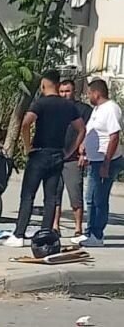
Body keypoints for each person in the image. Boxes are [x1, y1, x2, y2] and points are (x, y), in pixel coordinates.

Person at [4, 70, 85, 248]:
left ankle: (19, 235)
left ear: (43, 85)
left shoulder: (40, 103)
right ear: (57, 85)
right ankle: (45, 236)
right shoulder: (68, 106)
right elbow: (81, 129)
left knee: (28, 195)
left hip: (39, 153)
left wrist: (28, 146)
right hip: (58, 154)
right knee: (51, 198)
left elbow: (25, 123)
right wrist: (69, 151)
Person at [72, 79, 123, 248]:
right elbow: (91, 131)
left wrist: (106, 163)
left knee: (99, 198)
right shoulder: (97, 109)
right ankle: (89, 232)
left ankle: (97, 234)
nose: (87, 96)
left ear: (96, 93)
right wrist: (84, 148)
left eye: (89, 93)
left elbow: (114, 137)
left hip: (105, 161)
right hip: (94, 160)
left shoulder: (111, 109)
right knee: (90, 198)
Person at [54, 79, 92, 237]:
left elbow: (90, 131)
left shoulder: (84, 110)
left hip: (74, 158)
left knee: (75, 194)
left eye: (67, 91)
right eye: (61, 92)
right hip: (55, 157)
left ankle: (78, 228)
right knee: (54, 195)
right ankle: (55, 226)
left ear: (74, 92)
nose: (64, 95)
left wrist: (84, 152)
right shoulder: (54, 108)